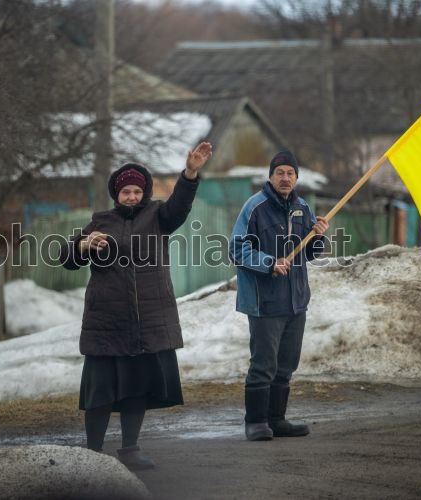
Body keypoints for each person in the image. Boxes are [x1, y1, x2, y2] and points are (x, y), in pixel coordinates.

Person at [60, 142, 212, 469]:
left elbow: (180, 206)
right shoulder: (100, 221)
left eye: (137, 191)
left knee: (136, 390)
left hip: (147, 321)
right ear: (117, 194)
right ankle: (93, 453)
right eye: (126, 191)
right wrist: (84, 245)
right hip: (107, 321)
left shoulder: (158, 216)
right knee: (100, 391)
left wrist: (190, 173)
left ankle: (129, 450)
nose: (131, 196)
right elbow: (67, 259)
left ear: (145, 193)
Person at [230, 150, 329, 441]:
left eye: (290, 173)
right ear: (271, 176)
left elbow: (309, 254)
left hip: (296, 301)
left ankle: (277, 420)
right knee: (264, 364)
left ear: (296, 177)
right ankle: (255, 422)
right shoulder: (255, 207)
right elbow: (236, 249)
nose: (285, 178)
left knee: (286, 365)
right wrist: (269, 263)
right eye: (280, 173)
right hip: (264, 301)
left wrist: (318, 236)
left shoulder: (302, 207)